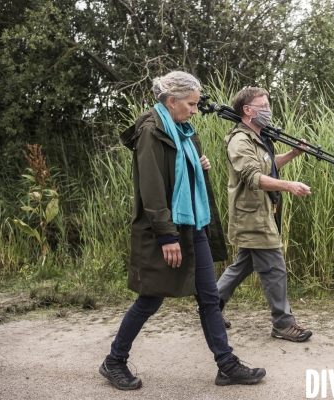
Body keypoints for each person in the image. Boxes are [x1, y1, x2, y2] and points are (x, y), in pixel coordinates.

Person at [99, 72, 266, 390]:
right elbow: (152, 188)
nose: (195, 109)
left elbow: (178, 170)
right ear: (171, 101)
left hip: (194, 226)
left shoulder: (183, 130)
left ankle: (226, 364)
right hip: (165, 230)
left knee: (209, 298)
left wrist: (197, 163)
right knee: (150, 299)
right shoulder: (151, 131)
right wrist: (166, 236)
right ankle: (114, 361)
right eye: (190, 103)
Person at [217, 87, 313, 342]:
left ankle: (209, 308)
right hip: (252, 215)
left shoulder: (256, 137)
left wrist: (293, 154)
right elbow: (252, 177)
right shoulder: (240, 140)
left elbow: (267, 166)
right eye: (264, 106)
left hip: (260, 212)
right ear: (248, 110)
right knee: (273, 267)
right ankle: (283, 324)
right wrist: (288, 185)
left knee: (243, 264)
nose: (269, 111)